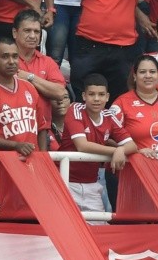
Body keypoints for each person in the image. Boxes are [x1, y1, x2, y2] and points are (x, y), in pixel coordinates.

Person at [59, 73, 138, 213]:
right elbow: (82, 145)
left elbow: (132, 145)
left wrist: (121, 150)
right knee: (63, 229)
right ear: (84, 96)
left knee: (98, 229)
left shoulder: (109, 116)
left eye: (101, 94)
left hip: (92, 185)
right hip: (65, 182)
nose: (96, 99)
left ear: (107, 97)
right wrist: (116, 151)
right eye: (91, 94)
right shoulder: (75, 109)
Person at [0, 36, 49, 155]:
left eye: (15, 56)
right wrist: (16, 146)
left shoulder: (29, 87)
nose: (11, 61)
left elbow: (42, 127)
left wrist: (43, 156)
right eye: (5, 57)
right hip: (4, 162)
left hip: (34, 161)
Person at [109, 55, 158, 158]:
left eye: (152, 72)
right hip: (136, 167)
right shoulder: (121, 103)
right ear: (134, 76)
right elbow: (107, 137)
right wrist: (136, 151)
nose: (148, 76)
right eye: (142, 72)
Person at [11, 8, 67, 125]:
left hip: (41, 129)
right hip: (12, 128)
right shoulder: (6, 59)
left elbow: (60, 92)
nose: (33, 36)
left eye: (37, 32)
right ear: (15, 33)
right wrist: (43, 86)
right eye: (27, 31)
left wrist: (29, 77)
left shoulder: (48, 62)